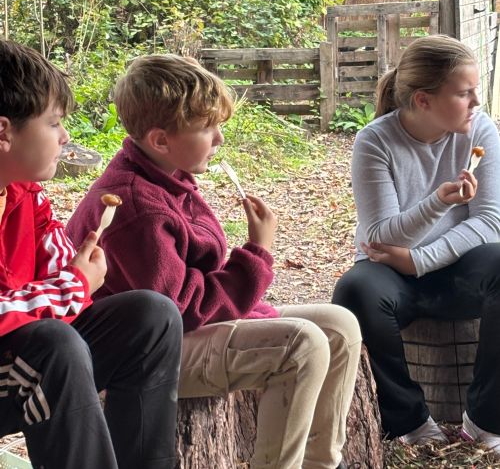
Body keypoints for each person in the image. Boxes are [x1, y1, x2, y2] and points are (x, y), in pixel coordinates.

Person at [66, 53, 362, 469]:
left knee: (339, 326)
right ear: (160, 140)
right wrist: (257, 253)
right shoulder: (137, 207)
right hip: (145, 356)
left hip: (186, 329)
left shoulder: (167, 177)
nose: (220, 138)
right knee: (302, 345)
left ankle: (319, 463)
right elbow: (182, 311)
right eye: (207, 127)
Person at [0, 39, 183, 469]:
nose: (65, 137)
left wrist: (78, 269)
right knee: (53, 348)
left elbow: (59, 270)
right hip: (24, 359)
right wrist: (75, 284)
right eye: (53, 123)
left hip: (14, 357)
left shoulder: (25, 194)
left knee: (151, 317)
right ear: (4, 131)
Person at [332, 34, 500, 451]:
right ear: (424, 100)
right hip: (390, 275)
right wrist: (438, 202)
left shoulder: (480, 129)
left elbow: (490, 222)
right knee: (355, 289)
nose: (477, 102)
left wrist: (420, 260)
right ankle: (408, 421)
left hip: (456, 269)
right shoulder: (375, 140)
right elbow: (380, 236)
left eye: (475, 90)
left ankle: (485, 419)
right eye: (464, 93)